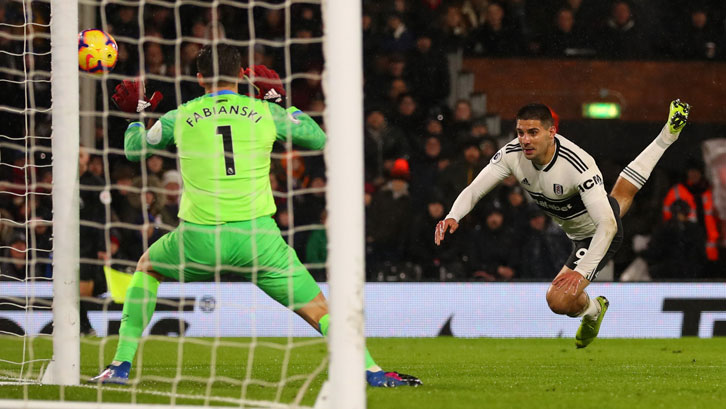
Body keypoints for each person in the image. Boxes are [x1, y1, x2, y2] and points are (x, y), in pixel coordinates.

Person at [91, 44, 421, 387]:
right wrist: (280, 100)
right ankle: (370, 370)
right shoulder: (264, 112)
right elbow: (317, 138)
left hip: (200, 239)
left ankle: (120, 365)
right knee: (319, 310)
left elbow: (134, 151)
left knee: (148, 267)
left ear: (200, 76)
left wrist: (134, 117)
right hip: (260, 242)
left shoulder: (181, 115)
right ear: (239, 75)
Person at [435, 100, 691, 348]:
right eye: (521, 132)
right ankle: (667, 135)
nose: (525, 140)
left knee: (558, 301)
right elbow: (475, 189)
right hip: (573, 229)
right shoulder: (511, 154)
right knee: (622, 195)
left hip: (596, 233)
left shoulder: (578, 165)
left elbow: (607, 226)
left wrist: (582, 272)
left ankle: (593, 310)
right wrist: (453, 215)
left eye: (533, 132)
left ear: (551, 132)